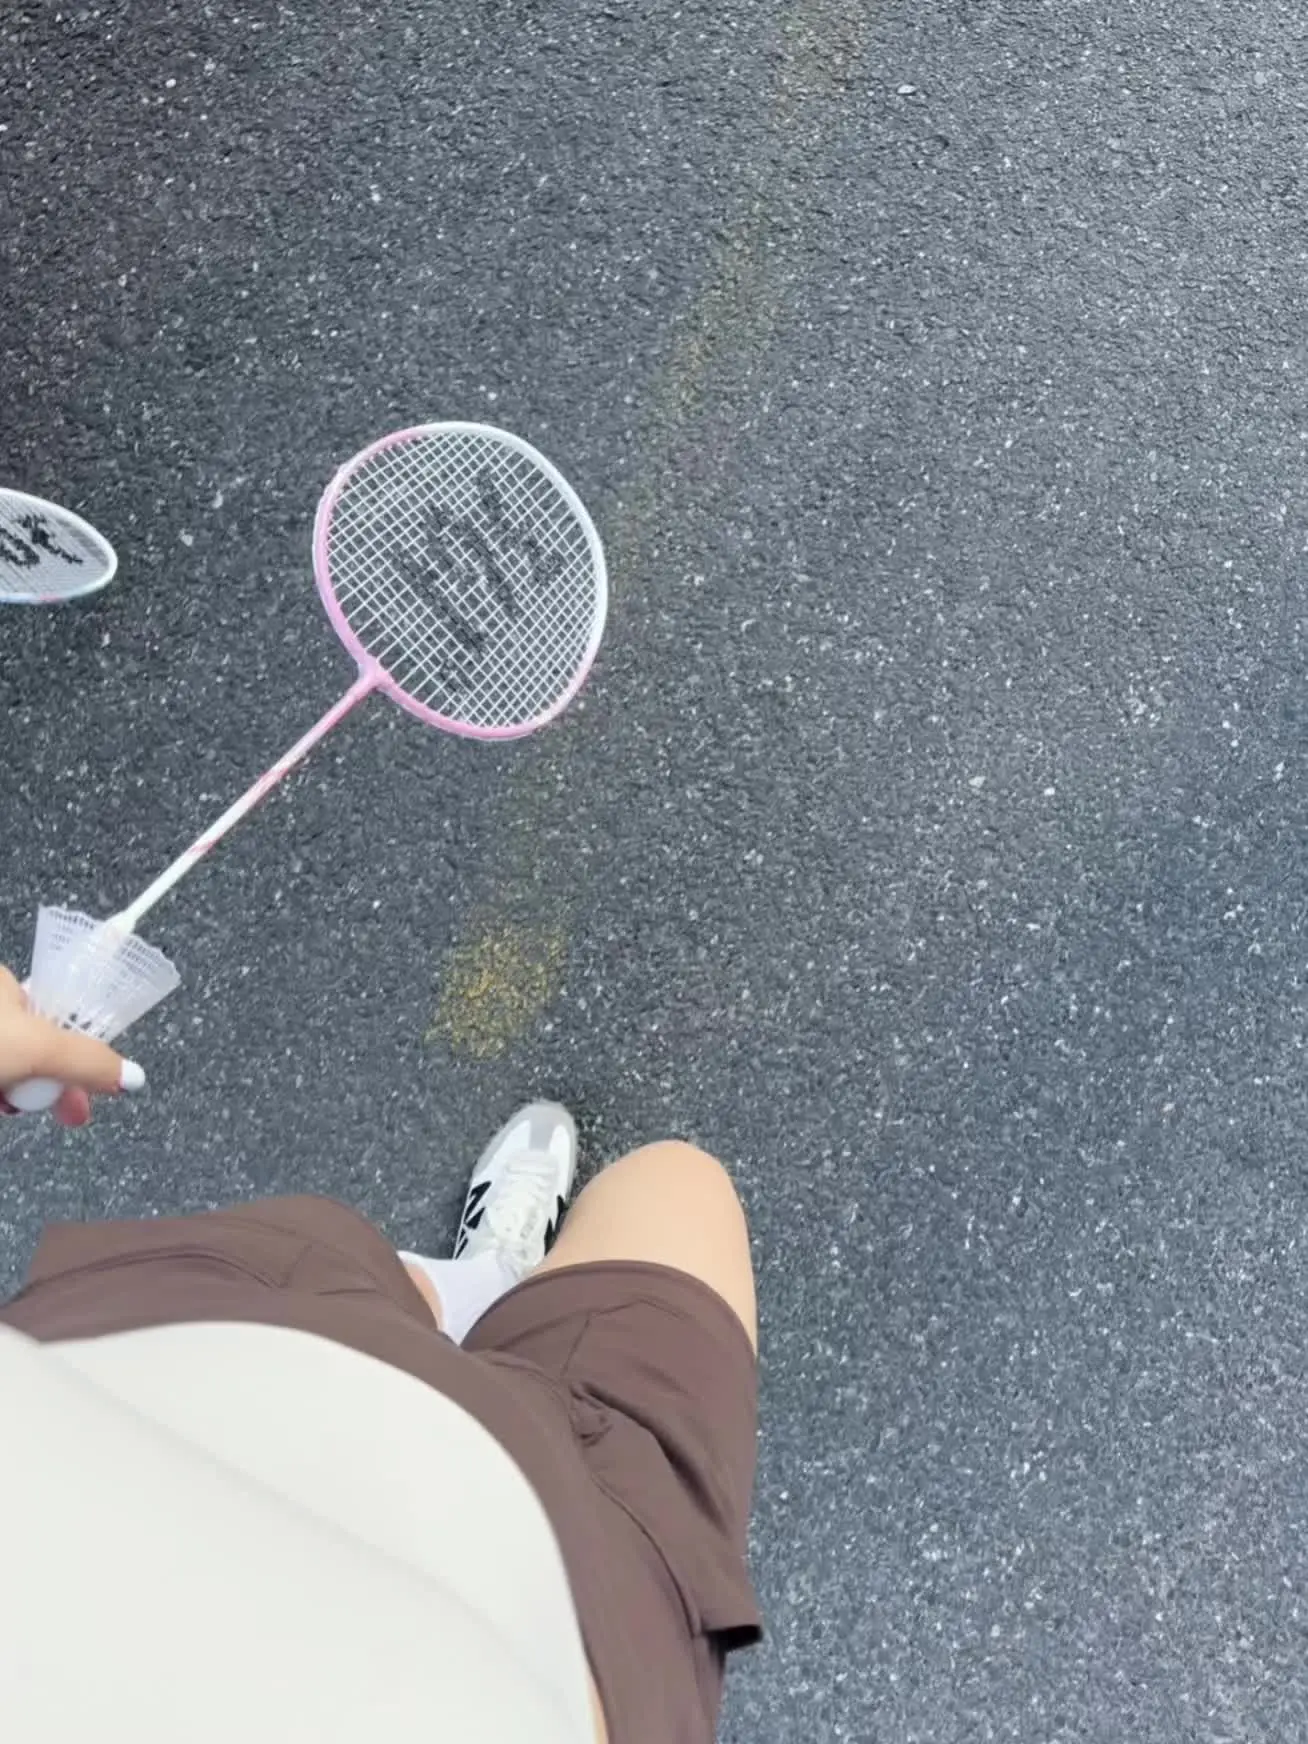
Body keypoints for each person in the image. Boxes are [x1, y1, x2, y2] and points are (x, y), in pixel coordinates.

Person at [0, 965, 760, 1744]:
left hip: (175, 1346)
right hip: (565, 1594)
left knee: (358, 1269)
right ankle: (487, 1298)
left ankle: (479, 1287)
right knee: (676, 1186)